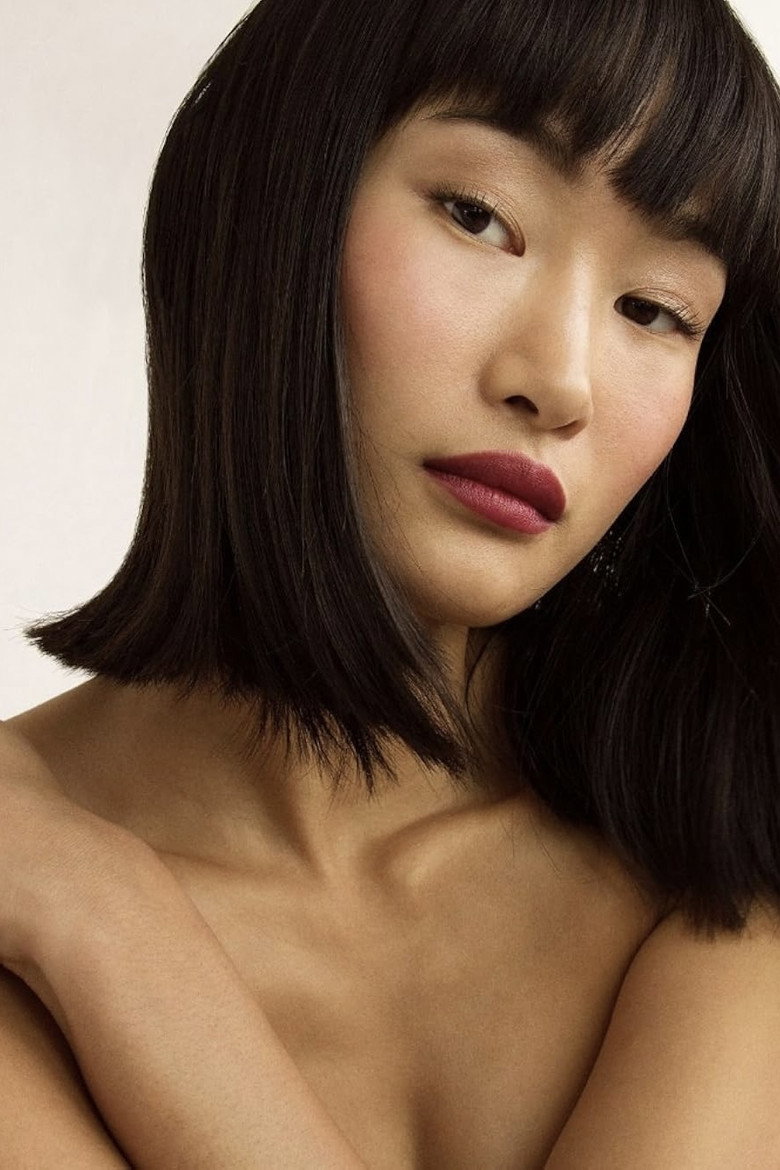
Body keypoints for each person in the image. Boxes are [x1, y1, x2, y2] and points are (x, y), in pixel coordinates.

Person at [2, 0, 780, 1165]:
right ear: (274, 199)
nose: (559, 379)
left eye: (655, 310)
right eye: (480, 217)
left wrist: (107, 922)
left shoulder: (719, 850)